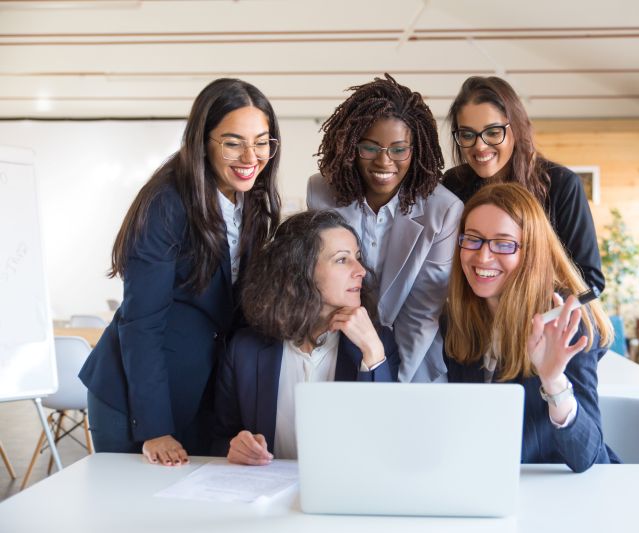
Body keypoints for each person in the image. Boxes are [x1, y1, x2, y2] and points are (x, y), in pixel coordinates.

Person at [79, 78, 282, 466]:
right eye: (233, 141)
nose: (251, 156)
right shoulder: (167, 204)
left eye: (262, 141)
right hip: (136, 400)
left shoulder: (251, 204)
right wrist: (154, 428)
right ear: (203, 142)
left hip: (201, 391)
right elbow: (142, 323)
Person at [444, 183, 618, 473]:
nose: (483, 257)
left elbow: (588, 458)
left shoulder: (566, 321)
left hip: (554, 491)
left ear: (532, 251)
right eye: (472, 239)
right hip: (483, 482)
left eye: (503, 244)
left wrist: (553, 381)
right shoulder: (456, 317)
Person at [307, 74, 462, 383]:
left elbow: (421, 313)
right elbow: (318, 284)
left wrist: (387, 381)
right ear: (352, 145)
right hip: (336, 348)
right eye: (370, 147)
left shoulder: (443, 210)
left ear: (415, 150)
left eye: (398, 149)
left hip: (413, 365)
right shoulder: (321, 192)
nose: (384, 161)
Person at [213, 210, 400, 464]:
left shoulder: (378, 344)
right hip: (267, 496)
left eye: (357, 258)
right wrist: (234, 448)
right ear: (298, 271)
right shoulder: (244, 349)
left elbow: (387, 447)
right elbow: (220, 437)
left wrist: (373, 354)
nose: (361, 271)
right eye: (342, 260)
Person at [443, 76, 605, 295]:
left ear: (516, 129)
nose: (479, 145)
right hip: (473, 322)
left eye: (493, 132)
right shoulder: (453, 186)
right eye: (467, 134)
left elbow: (589, 280)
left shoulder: (561, 185)